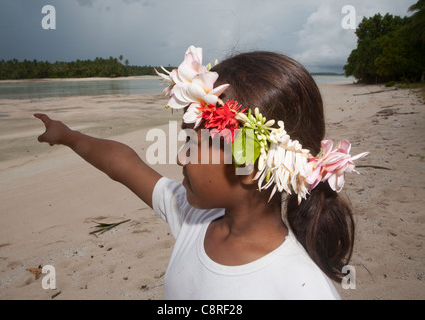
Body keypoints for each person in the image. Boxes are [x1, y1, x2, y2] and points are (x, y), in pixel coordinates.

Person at [35, 46, 368, 299]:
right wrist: (68, 136)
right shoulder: (194, 219)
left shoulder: (302, 289)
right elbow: (123, 165)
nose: (180, 156)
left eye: (192, 144)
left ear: (248, 165)